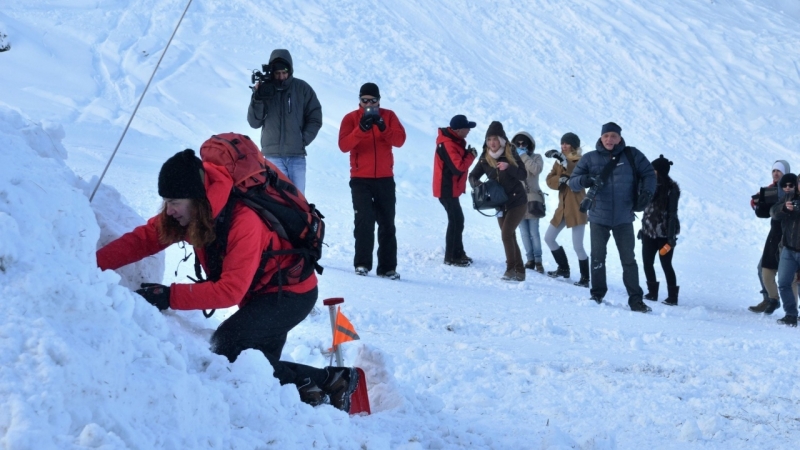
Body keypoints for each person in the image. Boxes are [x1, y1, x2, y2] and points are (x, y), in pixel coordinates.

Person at [96, 149, 358, 411]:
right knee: (255, 371)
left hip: (290, 295)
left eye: (174, 201)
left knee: (228, 347)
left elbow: (229, 291)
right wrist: (90, 264)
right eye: (165, 201)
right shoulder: (189, 215)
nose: (169, 210)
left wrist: (168, 296)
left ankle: (330, 382)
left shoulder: (244, 221)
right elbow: (144, 239)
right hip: (261, 294)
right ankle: (318, 389)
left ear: (196, 198)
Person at [568, 122, 656, 312]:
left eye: (613, 136)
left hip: (624, 217)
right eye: (606, 136)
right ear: (601, 137)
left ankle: (635, 299)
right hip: (599, 217)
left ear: (620, 138)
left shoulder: (632, 155)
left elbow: (649, 174)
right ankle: (597, 294)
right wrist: (585, 180)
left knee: (628, 260)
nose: (609, 139)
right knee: (598, 257)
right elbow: (572, 182)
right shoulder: (590, 158)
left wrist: (647, 193)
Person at [338, 82, 407, 279]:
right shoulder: (351, 118)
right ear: (359, 100)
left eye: (373, 101)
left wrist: (384, 128)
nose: (369, 104)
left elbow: (400, 140)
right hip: (360, 179)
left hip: (385, 178)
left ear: (379, 100)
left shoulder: (389, 115)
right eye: (364, 100)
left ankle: (387, 268)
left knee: (387, 223)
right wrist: (360, 129)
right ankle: (362, 263)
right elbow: (343, 145)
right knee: (364, 221)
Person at [247, 49, 322, 194]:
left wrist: (303, 139)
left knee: (298, 199)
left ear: (290, 70)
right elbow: (254, 122)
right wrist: (257, 98)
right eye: (277, 73)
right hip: (272, 155)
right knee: (278, 197)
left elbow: (315, 117)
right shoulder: (265, 90)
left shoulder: (302, 89)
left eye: (284, 72)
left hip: (296, 156)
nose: (281, 76)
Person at [469, 121, 528, 282]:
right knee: (510, 236)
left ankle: (510, 269)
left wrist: (509, 167)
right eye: (489, 140)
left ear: (501, 140)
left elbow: (523, 175)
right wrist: (480, 186)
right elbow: (472, 176)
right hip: (500, 203)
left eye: (495, 139)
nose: (492, 143)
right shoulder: (485, 157)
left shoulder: (511, 152)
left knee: (506, 234)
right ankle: (520, 271)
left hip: (518, 201)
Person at [748, 160, 798, 313]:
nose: (776, 174)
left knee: (792, 277)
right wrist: (758, 202)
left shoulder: (794, 191)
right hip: (775, 236)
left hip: (792, 238)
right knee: (763, 268)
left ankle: (791, 310)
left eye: (779, 171)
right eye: (774, 171)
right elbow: (763, 213)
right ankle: (770, 299)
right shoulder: (770, 190)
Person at [543, 132, 589, 286]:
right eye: (562, 143)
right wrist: (560, 179)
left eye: (567, 143)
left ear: (574, 146)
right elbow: (549, 180)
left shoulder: (581, 161)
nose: (563, 146)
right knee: (549, 238)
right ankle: (563, 268)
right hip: (562, 207)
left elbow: (576, 176)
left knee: (578, 246)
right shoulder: (558, 163)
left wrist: (564, 163)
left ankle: (585, 278)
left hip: (577, 208)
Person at [433, 114, 478, 267]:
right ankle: (452, 256)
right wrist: (470, 156)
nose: (469, 131)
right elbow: (458, 168)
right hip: (446, 189)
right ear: (458, 130)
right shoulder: (448, 143)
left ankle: (457, 253)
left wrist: (467, 153)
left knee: (457, 220)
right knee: (456, 220)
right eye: (467, 128)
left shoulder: (453, 141)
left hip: (449, 188)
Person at [639, 155, 681, 305]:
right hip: (648, 232)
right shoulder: (648, 185)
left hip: (664, 234)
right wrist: (642, 229)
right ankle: (652, 293)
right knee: (647, 262)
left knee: (666, 264)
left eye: (654, 170)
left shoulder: (671, 190)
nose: (651, 172)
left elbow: (672, 215)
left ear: (661, 172)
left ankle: (672, 297)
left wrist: (670, 238)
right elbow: (646, 211)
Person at [512, 131, 545, 273]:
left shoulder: (536, 157)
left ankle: (538, 261)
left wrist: (523, 156)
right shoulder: (512, 159)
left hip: (533, 199)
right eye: (518, 143)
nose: (521, 145)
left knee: (534, 232)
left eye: (523, 143)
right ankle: (529, 260)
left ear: (529, 144)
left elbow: (535, 170)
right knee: (524, 233)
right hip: (517, 200)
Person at [770, 172, 800, 327]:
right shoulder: (789, 197)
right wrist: (784, 208)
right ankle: (790, 314)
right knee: (783, 282)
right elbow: (773, 212)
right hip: (788, 248)